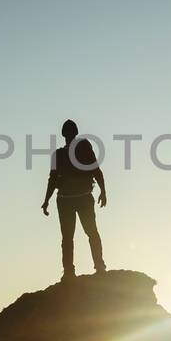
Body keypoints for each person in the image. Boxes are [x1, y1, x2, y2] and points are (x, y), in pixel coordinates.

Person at [41, 119, 107, 280]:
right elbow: (53, 179)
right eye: (68, 133)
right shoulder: (60, 154)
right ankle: (71, 271)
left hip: (78, 198)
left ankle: (97, 267)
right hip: (67, 200)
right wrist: (46, 200)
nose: (69, 135)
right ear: (66, 134)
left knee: (88, 233)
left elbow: (95, 169)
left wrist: (103, 191)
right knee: (71, 236)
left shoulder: (83, 146)